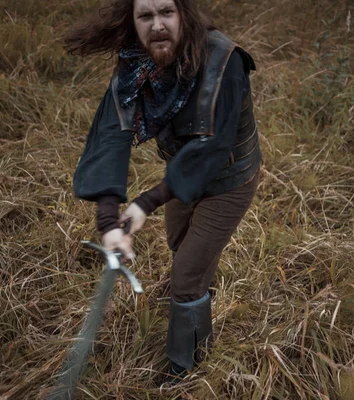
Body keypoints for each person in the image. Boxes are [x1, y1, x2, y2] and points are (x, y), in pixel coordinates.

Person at [66, 0, 261, 385]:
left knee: (185, 275)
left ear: (184, 15)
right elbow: (111, 133)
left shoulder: (223, 60)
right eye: (145, 16)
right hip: (183, 176)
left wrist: (145, 202)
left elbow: (211, 148)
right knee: (180, 244)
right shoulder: (135, 65)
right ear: (132, 22)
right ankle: (199, 293)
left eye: (166, 12)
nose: (157, 25)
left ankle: (187, 366)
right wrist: (109, 219)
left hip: (228, 179)